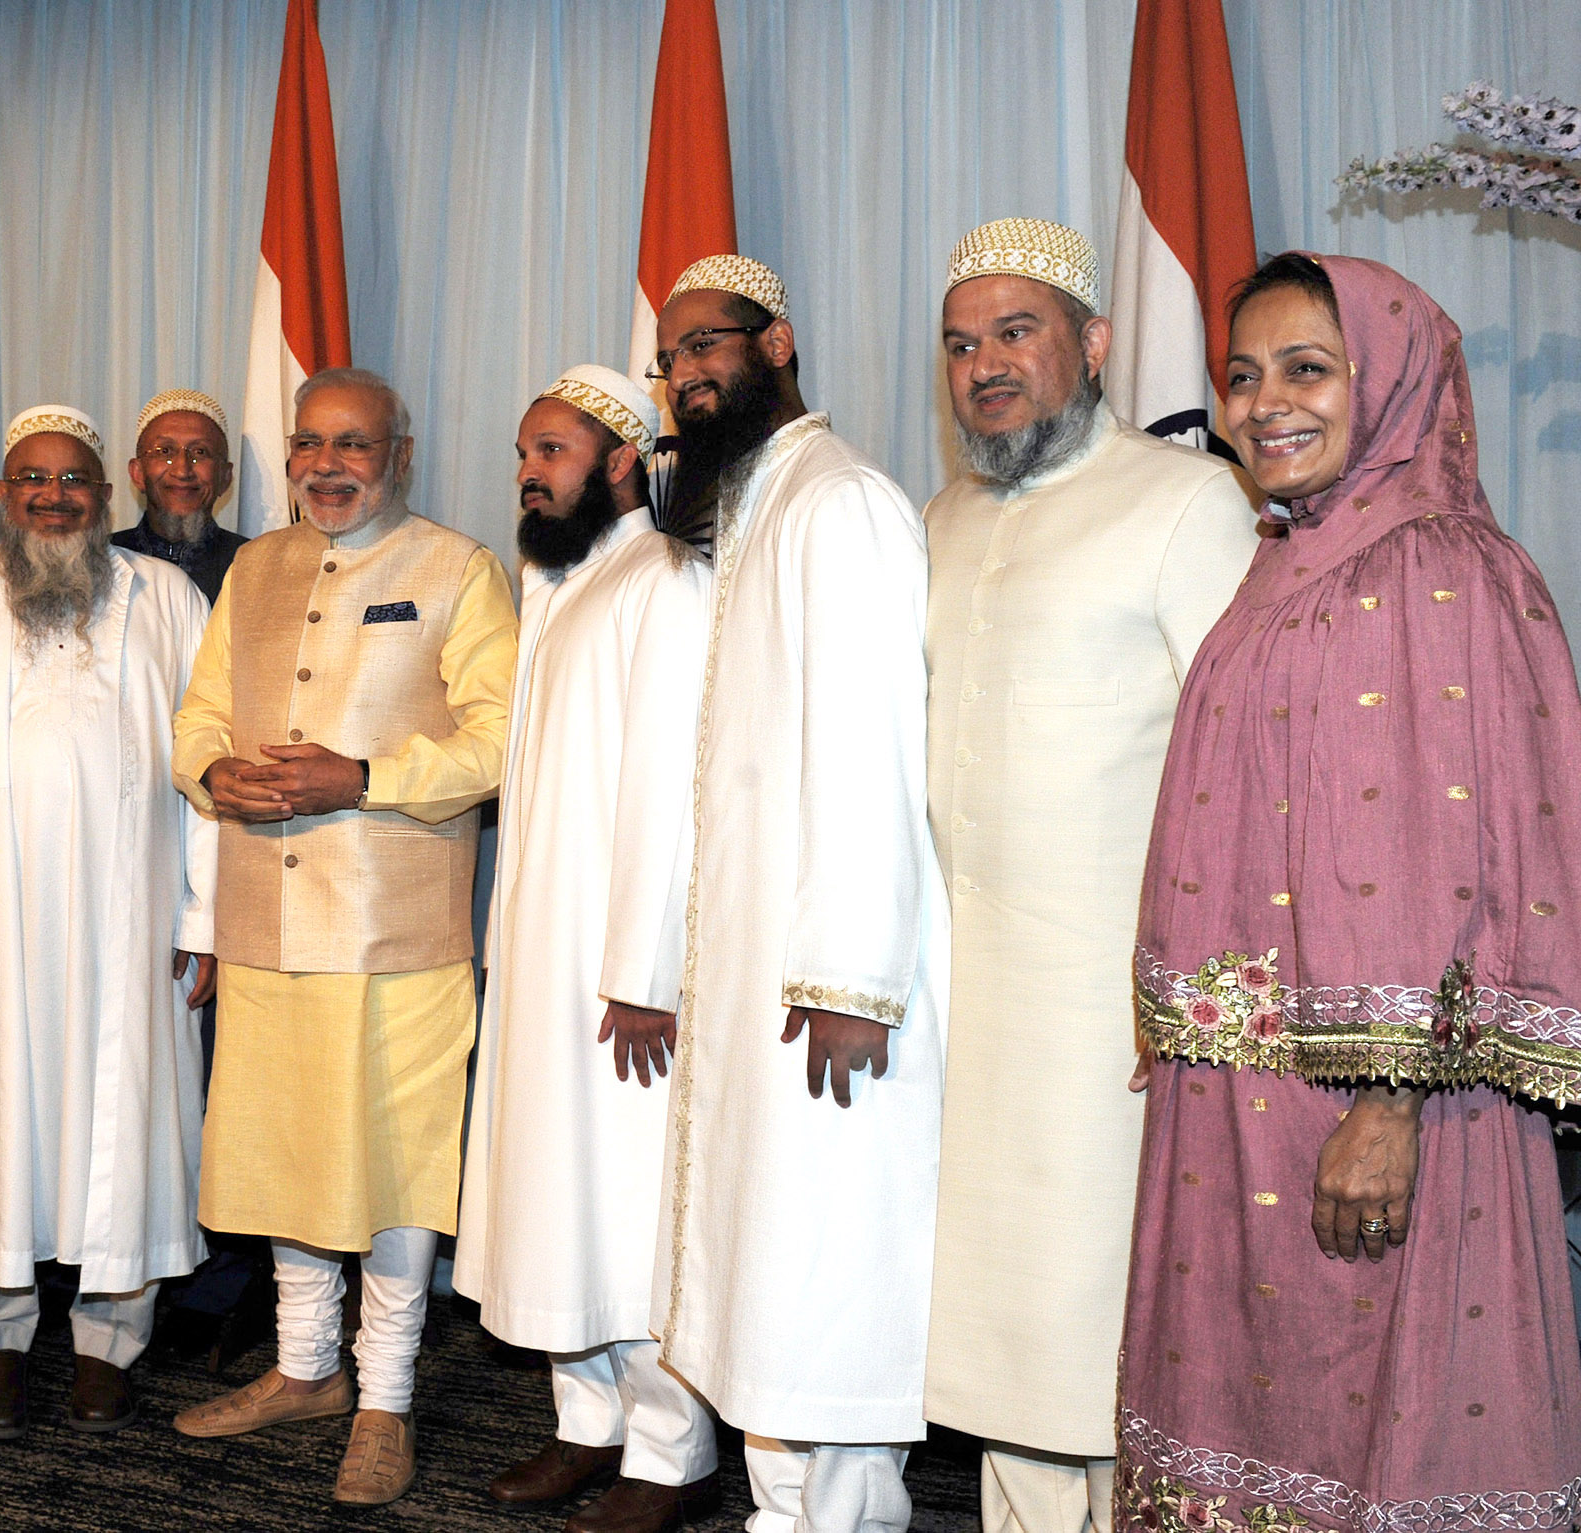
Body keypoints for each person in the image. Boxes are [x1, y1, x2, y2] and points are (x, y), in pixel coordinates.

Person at [1116, 251, 1581, 1532]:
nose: (1265, 403)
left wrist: (1386, 1104)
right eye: (1243, 374)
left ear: (1392, 382)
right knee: (1258, 1429)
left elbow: (1448, 858)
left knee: (1387, 1424)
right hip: (1243, 1107)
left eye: (1307, 369)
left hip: (1378, 1112)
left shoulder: (1434, 565)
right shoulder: (1290, 560)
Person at [920, 220, 1260, 1533]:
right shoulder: (944, 515)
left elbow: (1246, 762)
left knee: (1105, 1325)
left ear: (1095, 343)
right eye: (961, 343)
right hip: (969, 1008)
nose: (986, 364)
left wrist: (1193, 986)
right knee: (1004, 1331)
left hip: (1113, 1009)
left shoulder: (1184, 502)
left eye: (1016, 332)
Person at [168, 367, 516, 1507]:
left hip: (395, 929)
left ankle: (385, 1398)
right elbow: (199, 713)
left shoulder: (458, 568)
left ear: (400, 455)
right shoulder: (256, 566)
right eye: (310, 442)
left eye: (354, 444)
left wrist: (363, 778)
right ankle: (306, 1369)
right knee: (285, 1156)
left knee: (396, 1162)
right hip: (265, 918)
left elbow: (501, 742)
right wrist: (211, 769)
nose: (328, 464)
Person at [648, 256, 948, 1533]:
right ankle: (783, 1512)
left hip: (829, 989)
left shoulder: (843, 504)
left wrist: (850, 980)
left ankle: (842, 1518)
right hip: (757, 975)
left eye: (706, 346)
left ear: (778, 342)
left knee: (824, 1278)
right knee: (765, 1277)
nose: (685, 376)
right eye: (668, 361)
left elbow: (873, 756)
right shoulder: (755, 509)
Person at [454, 365, 718, 1533]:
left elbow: (671, 793)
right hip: (540, 956)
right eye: (524, 452)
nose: (529, 471)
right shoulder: (554, 583)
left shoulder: (663, 578)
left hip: (620, 975)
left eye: (553, 451)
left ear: (621, 461)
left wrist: (645, 971)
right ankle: (586, 1425)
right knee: (558, 1192)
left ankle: (672, 1451)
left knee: (631, 1199)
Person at [0, 403, 216, 1440]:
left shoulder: (170, 599)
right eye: (30, 481)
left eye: (73, 482)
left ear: (105, 496)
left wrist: (208, 914)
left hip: (133, 926)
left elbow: (208, 766)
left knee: (127, 1119)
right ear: (3, 496)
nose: (52, 498)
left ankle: (108, 1345)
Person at [115, 389, 247, 602]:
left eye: (200, 453)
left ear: (225, 476)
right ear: (137, 473)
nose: (182, 470)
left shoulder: (255, 565)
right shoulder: (101, 561)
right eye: (165, 451)